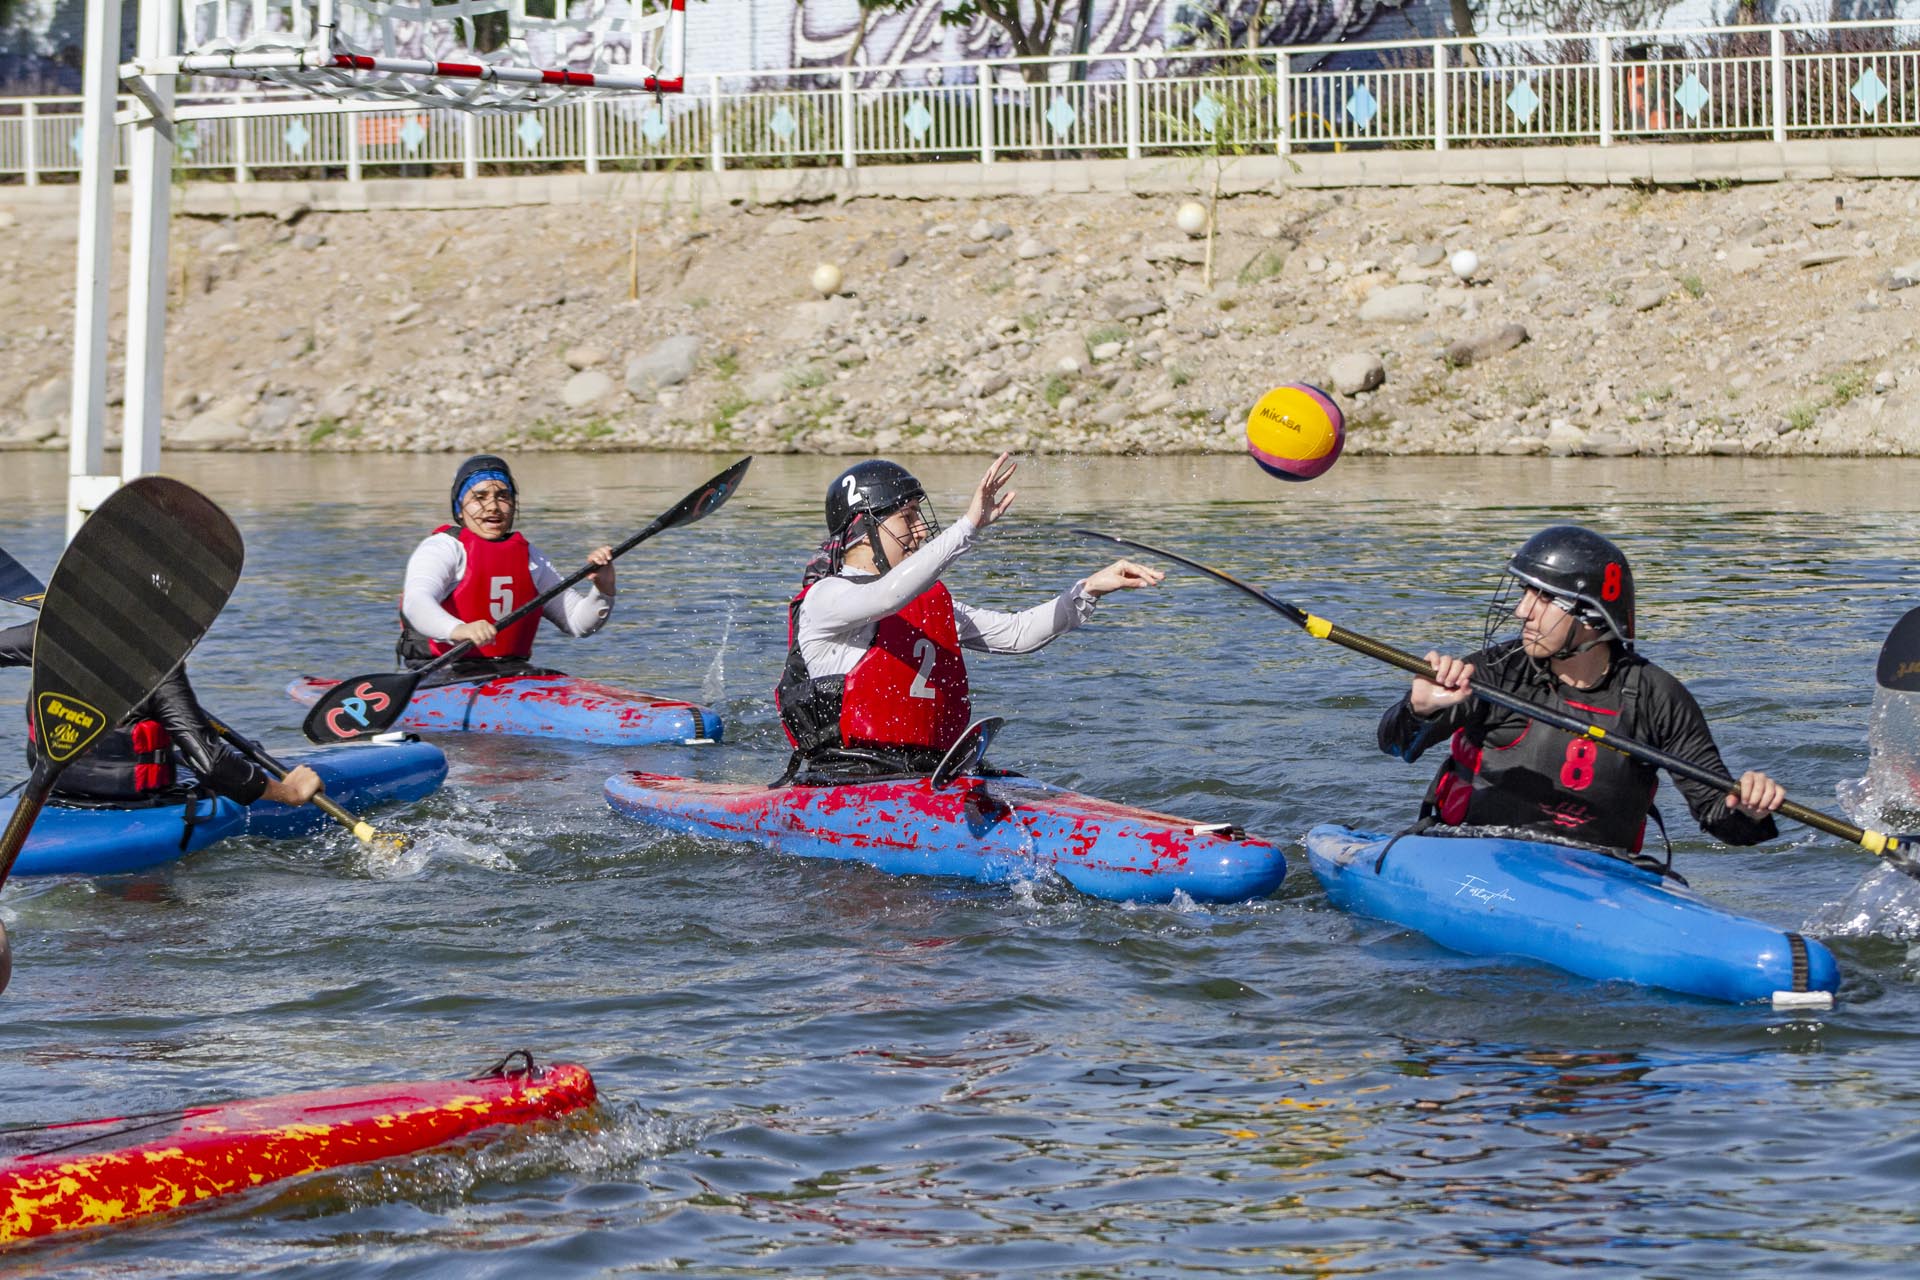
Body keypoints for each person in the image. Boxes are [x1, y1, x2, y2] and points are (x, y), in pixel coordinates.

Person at [1376, 525, 1784, 865]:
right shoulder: (1495, 672)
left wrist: (1748, 809)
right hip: (1477, 856)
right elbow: (1395, 746)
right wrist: (1418, 709)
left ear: (1591, 616)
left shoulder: (1657, 698)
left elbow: (1721, 820)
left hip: (1598, 873)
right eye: (1525, 593)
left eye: (1543, 598)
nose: (1522, 611)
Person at [775, 453, 1165, 780]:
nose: (920, 531)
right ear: (864, 530)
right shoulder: (826, 598)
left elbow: (1017, 634)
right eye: (907, 517)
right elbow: (886, 596)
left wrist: (1088, 589)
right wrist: (968, 527)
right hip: (846, 779)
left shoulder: (926, 603)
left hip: (929, 775)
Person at [1, 620, 322, 808]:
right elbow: (214, 765)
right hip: (135, 807)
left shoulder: (49, 632)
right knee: (235, 761)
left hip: (54, 793)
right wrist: (289, 792)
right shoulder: (158, 669)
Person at [396, 455, 616, 678]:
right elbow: (416, 603)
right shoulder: (442, 548)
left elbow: (579, 624)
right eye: (479, 497)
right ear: (460, 508)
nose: (493, 507)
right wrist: (458, 629)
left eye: (502, 496)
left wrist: (603, 589)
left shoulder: (531, 558)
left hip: (512, 672)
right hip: (442, 673)